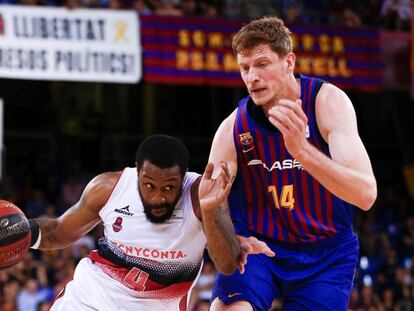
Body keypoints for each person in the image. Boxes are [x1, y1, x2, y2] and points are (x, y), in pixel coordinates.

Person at [207, 16, 377, 311]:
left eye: (262, 64)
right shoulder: (231, 130)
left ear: (289, 62)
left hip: (326, 252)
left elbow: (366, 195)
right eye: (245, 68)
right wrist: (230, 237)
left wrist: (302, 152)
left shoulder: (328, 104)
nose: (252, 77)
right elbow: (209, 203)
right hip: (260, 247)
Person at [27, 134, 273, 311]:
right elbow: (56, 232)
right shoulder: (109, 188)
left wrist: (209, 213)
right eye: (149, 186)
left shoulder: (202, 195)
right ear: (138, 172)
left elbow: (227, 265)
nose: (158, 197)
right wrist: (18, 231)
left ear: (184, 176)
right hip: (90, 299)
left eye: (169, 187)